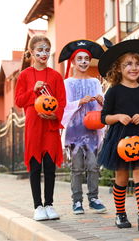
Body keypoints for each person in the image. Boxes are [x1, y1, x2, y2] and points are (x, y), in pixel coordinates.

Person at [97, 38, 139, 231]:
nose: (134, 68)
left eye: (137, 64)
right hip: (119, 137)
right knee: (122, 177)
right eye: (128, 64)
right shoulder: (114, 92)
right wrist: (117, 117)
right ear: (118, 68)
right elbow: (103, 117)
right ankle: (120, 214)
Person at [15, 35, 66, 221]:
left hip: (50, 126)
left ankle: (50, 204)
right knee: (35, 167)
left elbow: (62, 101)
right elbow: (19, 100)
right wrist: (33, 90)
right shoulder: (24, 75)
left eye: (46, 50)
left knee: (50, 167)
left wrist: (55, 114)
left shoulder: (56, 76)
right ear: (31, 53)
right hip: (34, 126)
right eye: (40, 50)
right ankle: (38, 206)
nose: (43, 54)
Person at [58, 40, 107, 215]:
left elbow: (102, 104)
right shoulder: (67, 83)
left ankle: (93, 198)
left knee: (93, 165)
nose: (84, 62)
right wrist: (80, 101)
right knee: (77, 167)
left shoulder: (95, 82)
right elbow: (63, 107)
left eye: (87, 58)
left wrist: (102, 101)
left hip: (92, 129)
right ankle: (77, 201)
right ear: (73, 62)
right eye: (80, 58)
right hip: (75, 130)